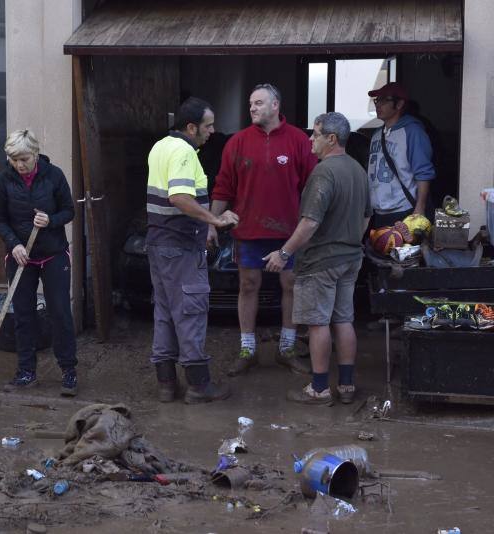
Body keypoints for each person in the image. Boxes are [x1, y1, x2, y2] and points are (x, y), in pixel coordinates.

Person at [209, 83, 318, 377]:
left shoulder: (299, 140)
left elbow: (314, 187)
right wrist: (211, 222)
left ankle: (287, 349)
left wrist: (313, 225)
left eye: (258, 103)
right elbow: (223, 187)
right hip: (249, 230)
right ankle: (247, 349)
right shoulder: (237, 142)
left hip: (290, 231)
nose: (253, 108)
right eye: (250, 104)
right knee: (248, 286)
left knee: (291, 285)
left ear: (275, 106)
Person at [264, 112, 371, 405]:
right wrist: (349, 240)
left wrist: (284, 252)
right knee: (344, 319)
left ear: (331, 139)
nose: (311, 139)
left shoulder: (324, 172)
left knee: (317, 323)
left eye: (316, 134)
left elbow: (310, 222)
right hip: (350, 258)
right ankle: (346, 387)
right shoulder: (358, 171)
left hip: (321, 261)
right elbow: (366, 217)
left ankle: (320, 388)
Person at [146, 97, 238, 404]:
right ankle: (199, 386)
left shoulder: (161, 146)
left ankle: (166, 385)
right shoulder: (184, 152)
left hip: (159, 244)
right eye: (208, 126)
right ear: (191, 127)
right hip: (181, 246)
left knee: (165, 313)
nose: (213, 131)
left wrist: (207, 228)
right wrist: (215, 220)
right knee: (191, 312)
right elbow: (180, 197)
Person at [0, 129, 77, 396]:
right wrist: (13, 243)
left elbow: (69, 210)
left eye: (24, 159)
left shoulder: (54, 175)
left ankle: (69, 370)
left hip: (53, 254)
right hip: (20, 256)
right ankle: (26, 372)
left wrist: (50, 219)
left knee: (60, 311)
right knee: (23, 314)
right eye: (14, 159)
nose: (20, 165)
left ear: (36, 154)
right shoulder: (4, 180)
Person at [367, 82, 435, 228]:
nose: (378, 104)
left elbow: (423, 172)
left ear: (399, 104)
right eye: (377, 100)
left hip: (404, 210)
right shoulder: (377, 134)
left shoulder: (413, 132)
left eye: (385, 100)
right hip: (378, 211)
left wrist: (420, 208)